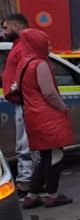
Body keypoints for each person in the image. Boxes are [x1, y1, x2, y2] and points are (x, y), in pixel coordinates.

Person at [6, 29, 73, 209]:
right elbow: (49, 93)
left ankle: (32, 195)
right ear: (37, 43)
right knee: (54, 156)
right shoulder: (40, 64)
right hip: (47, 115)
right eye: (46, 42)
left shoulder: (23, 62)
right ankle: (52, 195)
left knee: (44, 157)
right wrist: (63, 108)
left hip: (31, 114)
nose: (49, 45)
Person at [1, 13, 38, 196]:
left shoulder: (23, 47)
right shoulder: (19, 46)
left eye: (6, 28)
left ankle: (27, 181)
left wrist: (15, 88)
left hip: (24, 101)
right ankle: (29, 179)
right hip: (21, 101)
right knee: (24, 143)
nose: (2, 32)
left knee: (25, 144)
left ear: (17, 27)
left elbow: (25, 74)